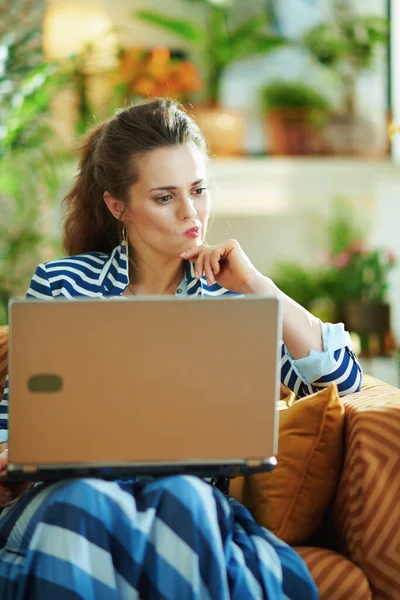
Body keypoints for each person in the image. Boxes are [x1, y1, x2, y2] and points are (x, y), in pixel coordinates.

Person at [0, 99, 362, 599]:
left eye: (198, 190)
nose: (191, 214)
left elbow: (342, 383)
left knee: (186, 497)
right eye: (165, 197)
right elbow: (16, 416)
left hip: (188, 497)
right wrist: (9, 447)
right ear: (117, 205)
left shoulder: (235, 299)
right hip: (68, 494)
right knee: (87, 501)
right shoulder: (63, 284)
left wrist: (260, 289)